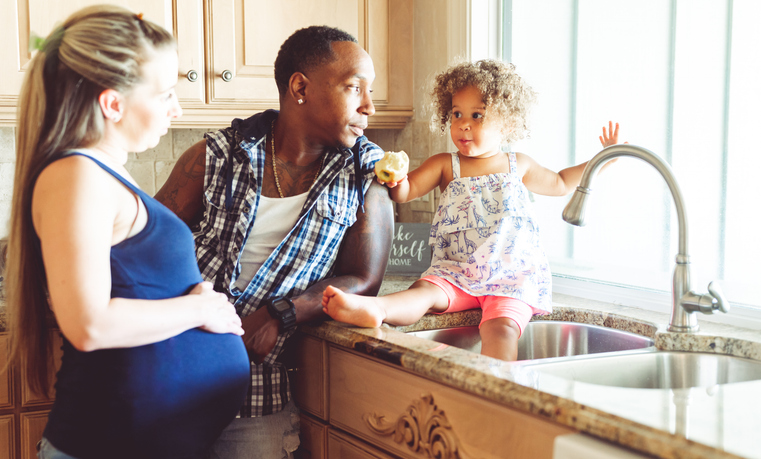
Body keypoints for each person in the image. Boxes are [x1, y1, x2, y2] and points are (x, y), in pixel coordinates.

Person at [4, 6, 250, 459]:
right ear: (113, 102)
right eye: (165, 94)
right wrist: (197, 310)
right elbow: (90, 325)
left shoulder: (104, 172)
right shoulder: (76, 175)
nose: (177, 108)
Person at [155, 26, 394, 458]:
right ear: (299, 86)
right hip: (172, 379)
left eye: (369, 90)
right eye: (354, 87)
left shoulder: (366, 175)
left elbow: (364, 279)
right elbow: (146, 249)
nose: (369, 106)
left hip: (259, 398)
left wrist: (283, 312)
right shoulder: (215, 156)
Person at [322, 59, 621, 361]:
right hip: (456, 272)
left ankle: (498, 387)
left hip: (511, 279)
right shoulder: (445, 164)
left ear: (507, 122)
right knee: (424, 292)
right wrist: (396, 178)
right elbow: (406, 192)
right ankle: (377, 309)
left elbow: (560, 182)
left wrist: (602, 160)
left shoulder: (519, 164)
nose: (463, 124)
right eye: (456, 114)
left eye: (477, 115)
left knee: (501, 328)